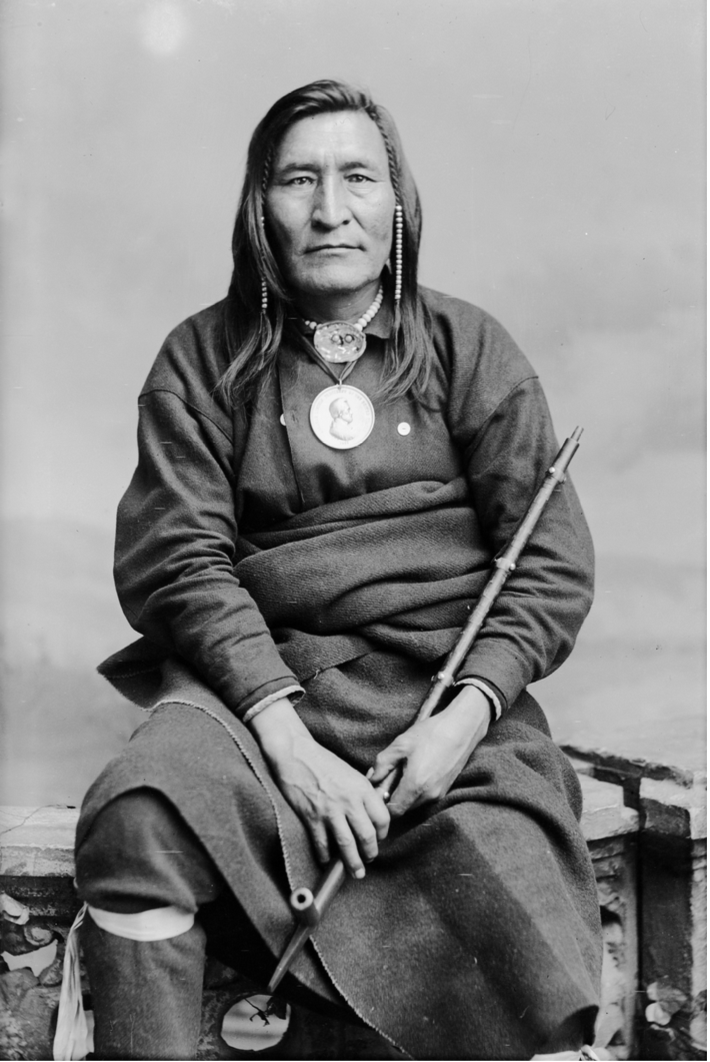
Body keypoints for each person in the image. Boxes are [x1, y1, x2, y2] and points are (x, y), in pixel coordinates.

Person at [70, 79, 602, 1061]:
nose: (328, 208)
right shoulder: (199, 360)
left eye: (357, 177)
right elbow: (178, 560)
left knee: (513, 887)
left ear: (397, 206)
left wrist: (458, 724)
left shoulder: (470, 349)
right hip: (250, 705)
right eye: (297, 180)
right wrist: (287, 747)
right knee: (140, 811)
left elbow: (548, 563)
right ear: (257, 206)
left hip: (441, 719)